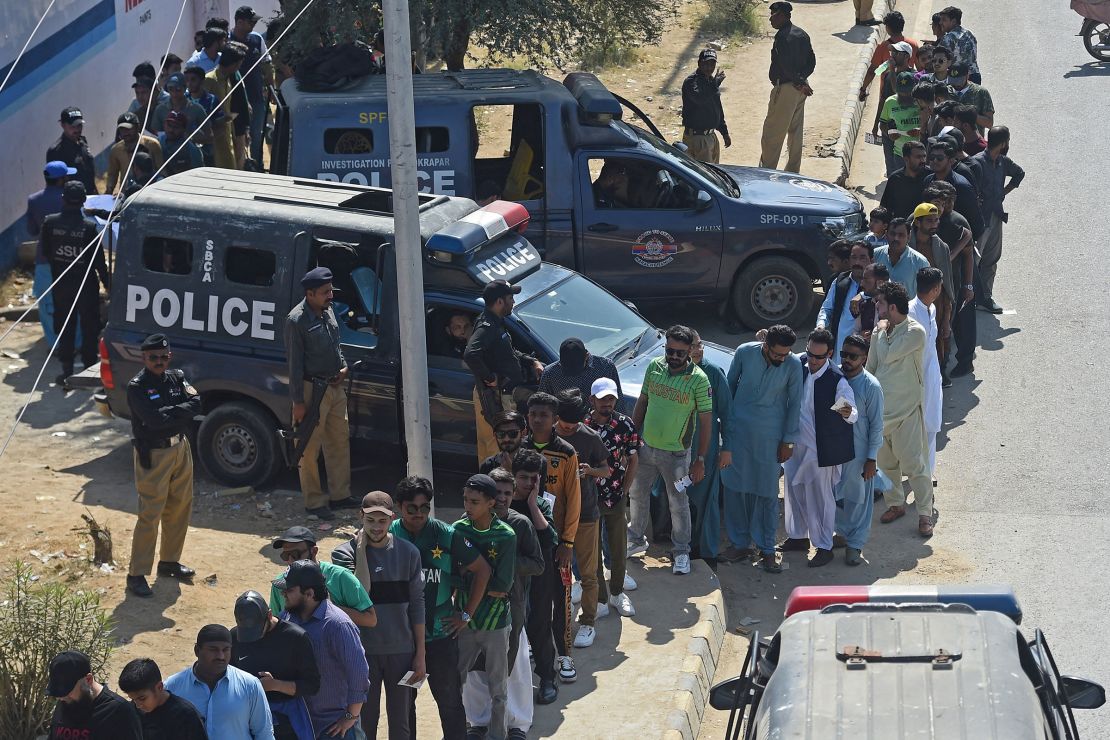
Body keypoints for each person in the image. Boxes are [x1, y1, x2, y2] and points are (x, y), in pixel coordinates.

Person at [387, 476, 491, 740]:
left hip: (440, 638)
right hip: (403, 641)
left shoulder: (446, 535)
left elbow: (483, 569)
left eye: (425, 507)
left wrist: (466, 614)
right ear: (400, 506)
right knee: (403, 706)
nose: (419, 513)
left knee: (450, 704)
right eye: (412, 508)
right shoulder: (388, 536)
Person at [331, 492, 424, 739]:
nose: (376, 527)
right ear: (361, 517)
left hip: (402, 652)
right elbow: (360, 593)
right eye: (370, 520)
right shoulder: (343, 554)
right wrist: (361, 550)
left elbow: (417, 605)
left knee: (401, 721)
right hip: (362, 653)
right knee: (364, 721)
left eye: (382, 521)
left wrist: (420, 654)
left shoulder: (409, 553)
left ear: (392, 519)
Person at [627, 325, 712, 576]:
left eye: (680, 352)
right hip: (645, 448)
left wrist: (700, 460)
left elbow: (706, 422)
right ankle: (635, 539)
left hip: (677, 456)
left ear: (689, 352)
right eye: (670, 350)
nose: (674, 356)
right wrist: (631, 439)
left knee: (678, 503)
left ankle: (681, 551)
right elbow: (642, 402)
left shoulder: (699, 380)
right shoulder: (654, 367)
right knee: (637, 495)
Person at [466, 468, 544, 739]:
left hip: (510, 608)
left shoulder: (519, 524)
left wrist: (501, 566)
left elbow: (537, 564)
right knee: (476, 669)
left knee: (514, 669)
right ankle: (478, 722)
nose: (501, 499)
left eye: (508, 493)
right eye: (496, 493)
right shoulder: (467, 524)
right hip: (474, 610)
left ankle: (518, 724)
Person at [719, 324, 803, 573]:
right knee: (735, 488)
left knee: (766, 493)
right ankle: (740, 544)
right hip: (738, 434)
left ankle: (767, 549)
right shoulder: (745, 352)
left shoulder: (793, 364)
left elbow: (795, 403)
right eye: (777, 353)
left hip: (771, 438)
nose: (781, 358)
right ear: (766, 346)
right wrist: (725, 427)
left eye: (785, 354)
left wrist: (788, 441)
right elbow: (729, 387)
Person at [124, 333, 200, 597]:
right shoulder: (137, 387)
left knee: (180, 506)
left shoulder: (176, 377)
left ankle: (169, 561)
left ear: (170, 356)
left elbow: (197, 402)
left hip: (180, 447)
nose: (159, 361)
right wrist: (181, 410)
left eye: (163, 357)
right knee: (150, 514)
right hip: (154, 454)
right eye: (153, 357)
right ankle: (136, 574)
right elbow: (155, 421)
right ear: (144, 358)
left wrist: (171, 413)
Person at [648, 330, 731, 563]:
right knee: (674, 497)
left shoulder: (712, 373)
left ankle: (705, 551)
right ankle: (678, 546)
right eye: (688, 347)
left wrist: (727, 448)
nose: (693, 350)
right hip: (673, 448)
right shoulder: (666, 371)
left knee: (703, 501)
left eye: (696, 345)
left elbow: (726, 414)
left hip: (702, 449)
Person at [284, 267, 357, 519]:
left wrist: (344, 367)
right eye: (325, 292)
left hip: (335, 386)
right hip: (310, 389)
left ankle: (340, 496)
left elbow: (336, 345)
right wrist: (297, 401)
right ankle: (314, 502)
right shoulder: (296, 321)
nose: (330, 296)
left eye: (331, 291)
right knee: (308, 446)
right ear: (310, 293)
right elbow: (294, 364)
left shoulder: (328, 312)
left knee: (338, 441)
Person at [448, 474, 517, 740]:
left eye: (474, 501)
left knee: (498, 688)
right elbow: (452, 575)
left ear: (491, 502)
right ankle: (455, 732)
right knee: (454, 683)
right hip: (463, 624)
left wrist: (469, 574)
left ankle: (497, 735)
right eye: (465, 499)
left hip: (496, 623)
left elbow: (503, 584)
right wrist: (474, 575)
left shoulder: (506, 535)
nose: (468, 506)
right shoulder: (457, 530)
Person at [781, 328, 857, 567]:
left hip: (820, 449)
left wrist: (847, 411)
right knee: (793, 490)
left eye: (818, 357)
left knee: (821, 498)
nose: (812, 361)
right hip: (795, 443)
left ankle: (824, 545)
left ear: (829, 354)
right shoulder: (799, 364)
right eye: (810, 354)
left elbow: (852, 411)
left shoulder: (837, 379)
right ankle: (797, 536)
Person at [867, 282, 935, 537]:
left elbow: (889, 355)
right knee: (886, 464)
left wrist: (881, 332)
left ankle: (925, 514)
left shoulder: (915, 332)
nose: (877, 307)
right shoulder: (879, 332)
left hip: (906, 411)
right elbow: (872, 367)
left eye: (880, 303)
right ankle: (895, 504)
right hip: (881, 411)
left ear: (892, 307)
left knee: (915, 465)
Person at [521, 391, 580, 684]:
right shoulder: (521, 449)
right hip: (526, 541)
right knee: (535, 600)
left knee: (562, 598)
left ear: (555, 419)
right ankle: (536, 646)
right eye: (533, 414)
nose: (538, 419)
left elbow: (573, 500)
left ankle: (564, 653)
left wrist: (567, 543)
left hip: (557, 543)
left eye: (544, 415)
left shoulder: (567, 453)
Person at [277, 562, 368, 740]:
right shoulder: (287, 618)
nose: (283, 594)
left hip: (333, 727)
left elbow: (359, 674)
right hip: (299, 723)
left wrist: (351, 717)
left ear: (309, 594)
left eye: (289, 590)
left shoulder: (338, 625)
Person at [553, 390, 610, 648]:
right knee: (554, 574)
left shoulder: (590, 438)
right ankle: (555, 621)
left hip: (586, 514)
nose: (568, 428)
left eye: (573, 424)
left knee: (588, 574)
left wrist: (590, 471)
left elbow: (607, 470)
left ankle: (587, 622)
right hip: (552, 517)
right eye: (564, 423)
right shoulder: (546, 435)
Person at [464, 279, 544, 463]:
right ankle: (495, 487)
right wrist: (490, 377)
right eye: (510, 298)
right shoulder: (487, 327)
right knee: (497, 447)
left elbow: (507, 353)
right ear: (500, 301)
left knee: (494, 445)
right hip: (495, 397)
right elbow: (471, 354)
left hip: (499, 394)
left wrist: (531, 361)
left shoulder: (495, 322)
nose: (513, 302)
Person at [38, 180, 108, 385]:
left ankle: (67, 370)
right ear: (84, 201)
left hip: (62, 284)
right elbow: (98, 262)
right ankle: (87, 368)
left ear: (63, 199)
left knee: (65, 326)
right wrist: (107, 284)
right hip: (86, 285)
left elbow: (47, 252)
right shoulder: (88, 228)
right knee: (90, 326)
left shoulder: (50, 223)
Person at [506, 449, 561, 704]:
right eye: (523, 477)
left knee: (539, 624)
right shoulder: (500, 503)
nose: (528, 483)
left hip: (538, 574)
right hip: (509, 577)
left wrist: (532, 505)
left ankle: (547, 677)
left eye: (533, 478)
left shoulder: (541, 503)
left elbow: (550, 539)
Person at [584, 377, 642, 610]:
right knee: (593, 552)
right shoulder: (583, 426)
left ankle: (617, 594)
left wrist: (625, 490)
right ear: (592, 400)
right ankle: (600, 600)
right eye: (602, 399)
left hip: (616, 497)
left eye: (611, 398)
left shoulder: (625, 425)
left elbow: (633, 459)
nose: (607, 403)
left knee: (618, 550)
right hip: (590, 498)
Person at [231, 590, 319, 740]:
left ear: (270, 615)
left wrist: (275, 685)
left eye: (257, 631)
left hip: (286, 721)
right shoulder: (234, 637)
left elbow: (312, 685)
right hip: (246, 718)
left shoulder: (296, 638)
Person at [164, 625, 274, 739]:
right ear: (197, 650)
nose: (221, 656)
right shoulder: (172, 687)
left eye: (226, 649)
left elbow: (264, 734)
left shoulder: (250, 686)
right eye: (213, 650)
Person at [833, 335, 885, 565]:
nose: (846, 360)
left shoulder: (871, 386)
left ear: (864, 359)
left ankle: (855, 544)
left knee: (860, 501)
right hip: (836, 453)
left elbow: (877, 425)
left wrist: (871, 459)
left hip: (860, 454)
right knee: (836, 497)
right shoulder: (835, 378)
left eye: (852, 356)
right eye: (843, 354)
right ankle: (842, 534)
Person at [267, 527, 376, 628]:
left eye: (295, 554)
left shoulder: (340, 577)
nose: (290, 560)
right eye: (285, 555)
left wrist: (328, 608)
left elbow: (370, 619)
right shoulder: (280, 584)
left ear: (314, 551)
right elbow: (276, 623)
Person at [969, 126, 1024, 315]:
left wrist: (1002, 193)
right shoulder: (977, 163)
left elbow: (1019, 173)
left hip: (996, 216)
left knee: (991, 259)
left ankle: (985, 297)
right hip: (979, 219)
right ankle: (967, 297)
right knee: (973, 260)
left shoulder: (1003, 162)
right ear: (1003, 143)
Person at [925, 181, 976, 377]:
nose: (939, 208)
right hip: (923, 285)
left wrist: (968, 285)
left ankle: (950, 367)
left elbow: (969, 253)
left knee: (952, 326)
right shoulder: (918, 219)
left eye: (943, 203)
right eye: (935, 203)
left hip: (951, 283)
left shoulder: (957, 222)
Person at [759, 1, 816, 173]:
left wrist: (798, 82)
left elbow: (785, 65)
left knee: (773, 133)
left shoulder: (783, 37)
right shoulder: (802, 34)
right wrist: (803, 81)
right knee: (795, 132)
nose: (771, 19)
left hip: (786, 88)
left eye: (774, 15)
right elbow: (812, 61)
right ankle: (792, 171)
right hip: (800, 89)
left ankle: (766, 172)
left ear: (783, 15)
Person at [27, 160, 75, 346]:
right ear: (61, 179)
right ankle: (75, 342)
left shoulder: (34, 200)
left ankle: (54, 343)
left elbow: (31, 230)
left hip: (44, 258)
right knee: (72, 301)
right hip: (70, 256)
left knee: (47, 303)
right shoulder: (69, 198)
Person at [47, 650, 143, 739]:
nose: (62, 698)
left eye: (67, 691)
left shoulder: (119, 712)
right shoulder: (67, 701)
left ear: (88, 679)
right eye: (59, 693)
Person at [908, 203, 954, 382]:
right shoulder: (908, 246)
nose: (934, 224)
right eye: (929, 221)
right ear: (917, 223)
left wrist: (946, 319)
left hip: (936, 308)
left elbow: (948, 285)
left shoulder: (941, 247)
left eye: (936, 220)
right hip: (912, 309)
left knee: (937, 345)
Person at [118, 658, 208, 740]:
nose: (138, 705)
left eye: (142, 698)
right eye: (133, 699)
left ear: (159, 687)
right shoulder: (131, 713)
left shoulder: (187, 716)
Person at [908, 267, 944, 473]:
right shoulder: (910, 312)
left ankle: (927, 474)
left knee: (931, 426)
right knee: (913, 431)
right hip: (914, 381)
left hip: (931, 378)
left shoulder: (932, 309)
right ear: (937, 288)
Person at [230, 5, 274, 165]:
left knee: (257, 135)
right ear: (240, 22)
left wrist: (271, 87)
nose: (254, 25)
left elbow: (266, 64)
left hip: (256, 97)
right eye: (251, 22)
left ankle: (258, 166)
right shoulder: (228, 41)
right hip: (235, 100)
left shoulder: (257, 39)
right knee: (238, 136)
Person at [817, 240, 871, 355]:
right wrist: (821, 325)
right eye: (854, 257)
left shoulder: (877, 284)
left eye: (862, 258)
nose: (857, 262)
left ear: (871, 260)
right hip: (840, 348)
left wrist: (862, 295)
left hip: (866, 352)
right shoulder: (840, 282)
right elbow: (827, 308)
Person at [924, 139, 984, 241]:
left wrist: (967, 246)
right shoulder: (928, 180)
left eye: (939, 158)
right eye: (932, 157)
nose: (934, 161)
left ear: (951, 160)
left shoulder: (962, 186)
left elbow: (977, 223)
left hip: (958, 241)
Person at [680, 49, 731, 163]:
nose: (709, 67)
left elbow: (717, 108)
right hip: (698, 139)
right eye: (706, 64)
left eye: (712, 64)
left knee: (714, 174)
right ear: (699, 63)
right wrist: (716, 84)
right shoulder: (691, 81)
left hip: (711, 136)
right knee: (704, 176)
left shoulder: (710, 81)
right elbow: (700, 98)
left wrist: (724, 132)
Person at [537, 336, 622, 402]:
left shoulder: (605, 367)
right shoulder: (550, 373)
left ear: (587, 356)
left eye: (577, 368)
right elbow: (543, 403)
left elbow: (618, 401)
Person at [204, 41, 247, 169]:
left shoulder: (228, 79)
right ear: (233, 64)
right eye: (239, 64)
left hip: (227, 133)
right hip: (213, 137)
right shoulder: (210, 79)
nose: (239, 67)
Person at [105, 112, 163, 195]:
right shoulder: (116, 150)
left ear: (137, 127)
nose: (125, 132)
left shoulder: (153, 145)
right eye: (122, 129)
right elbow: (112, 175)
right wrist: (108, 191)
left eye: (129, 129)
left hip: (150, 192)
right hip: (126, 195)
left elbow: (161, 170)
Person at [873, 217, 930, 297]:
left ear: (909, 237)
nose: (896, 238)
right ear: (886, 235)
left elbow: (925, 296)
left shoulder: (920, 262)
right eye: (892, 234)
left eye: (901, 235)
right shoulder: (875, 255)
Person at [880, 71, 922, 176]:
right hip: (900, 153)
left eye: (907, 92)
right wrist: (890, 134)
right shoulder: (890, 102)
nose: (904, 95)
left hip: (921, 154)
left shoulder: (921, 100)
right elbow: (883, 123)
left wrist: (921, 131)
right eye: (901, 92)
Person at [47, 107, 98, 194]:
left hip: (90, 197)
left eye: (79, 125)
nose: (77, 129)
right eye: (72, 126)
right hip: (72, 201)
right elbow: (54, 185)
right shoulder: (56, 151)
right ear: (63, 125)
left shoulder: (82, 142)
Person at [879, 141, 928, 219]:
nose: (923, 160)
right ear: (906, 159)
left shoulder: (931, 176)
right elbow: (885, 207)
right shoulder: (895, 179)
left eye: (924, 156)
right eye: (918, 157)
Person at [937, 6, 980, 83]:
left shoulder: (948, 38)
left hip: (957, 78)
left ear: (953, 21)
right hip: (975, 76)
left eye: (944, 20)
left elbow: (939, 59)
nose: (940, 23)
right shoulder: (969, 34)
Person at [947, 62, 993, 131]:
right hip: (951, 139)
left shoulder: (980, 92)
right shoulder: (946, 91)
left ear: (967, 76)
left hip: (973, 139)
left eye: (959, 81)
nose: (956, 85)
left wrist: (971, 114)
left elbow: (989, 123)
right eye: (953, 81)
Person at [852, 262, 889, 340]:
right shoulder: (863, 304)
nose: (861, 284)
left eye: (866, 280)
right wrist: (860, 337)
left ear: (880, 283)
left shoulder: (894, 306)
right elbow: (855, 331)